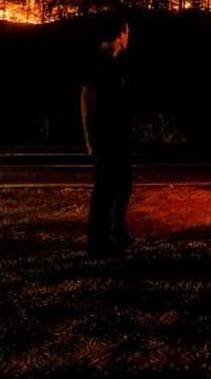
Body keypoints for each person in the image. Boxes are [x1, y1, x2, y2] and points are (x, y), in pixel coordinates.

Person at [81, 15, 134, 257]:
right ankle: (99, 242)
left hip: (114, 138)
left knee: (120, 185)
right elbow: (88, 100)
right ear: (120, 35)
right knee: (106, 189)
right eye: (128, 32)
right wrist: (92, 140)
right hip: (107, 139)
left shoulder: (111, 63)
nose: (129, 37)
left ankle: (115, 234)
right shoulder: (101, 64)